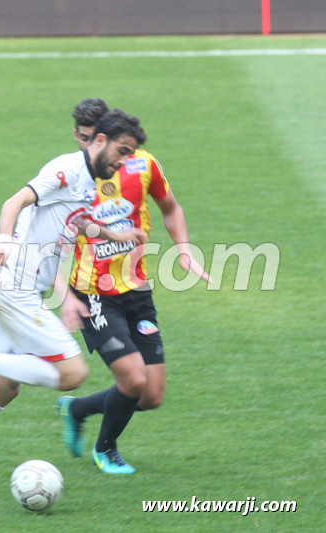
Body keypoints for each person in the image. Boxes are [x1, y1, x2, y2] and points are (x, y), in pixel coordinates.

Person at [0, 109, 149, 498]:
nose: (124, 161)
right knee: (73, 374)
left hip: (5, 287)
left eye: (130, 155)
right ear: (100, 141)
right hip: (15, 286)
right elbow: (15, 201)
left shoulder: (92, 182)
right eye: (122, 150)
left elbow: (79, 223)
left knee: (6, 388)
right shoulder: (66, 170)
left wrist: (118, 232)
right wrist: (4, 239)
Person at [57, 99, 210, 473]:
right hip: (94, 294)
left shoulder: (142, 165)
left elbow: (170, 207)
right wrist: (64, 297)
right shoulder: (70, 179)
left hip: (136, 289)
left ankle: (77, 409)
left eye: (90, 138)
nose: (86, 147)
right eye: (81, 139)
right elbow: (51, 244)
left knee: (151, 395)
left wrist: (185, 252)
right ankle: (105, 450)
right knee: (133, 377)